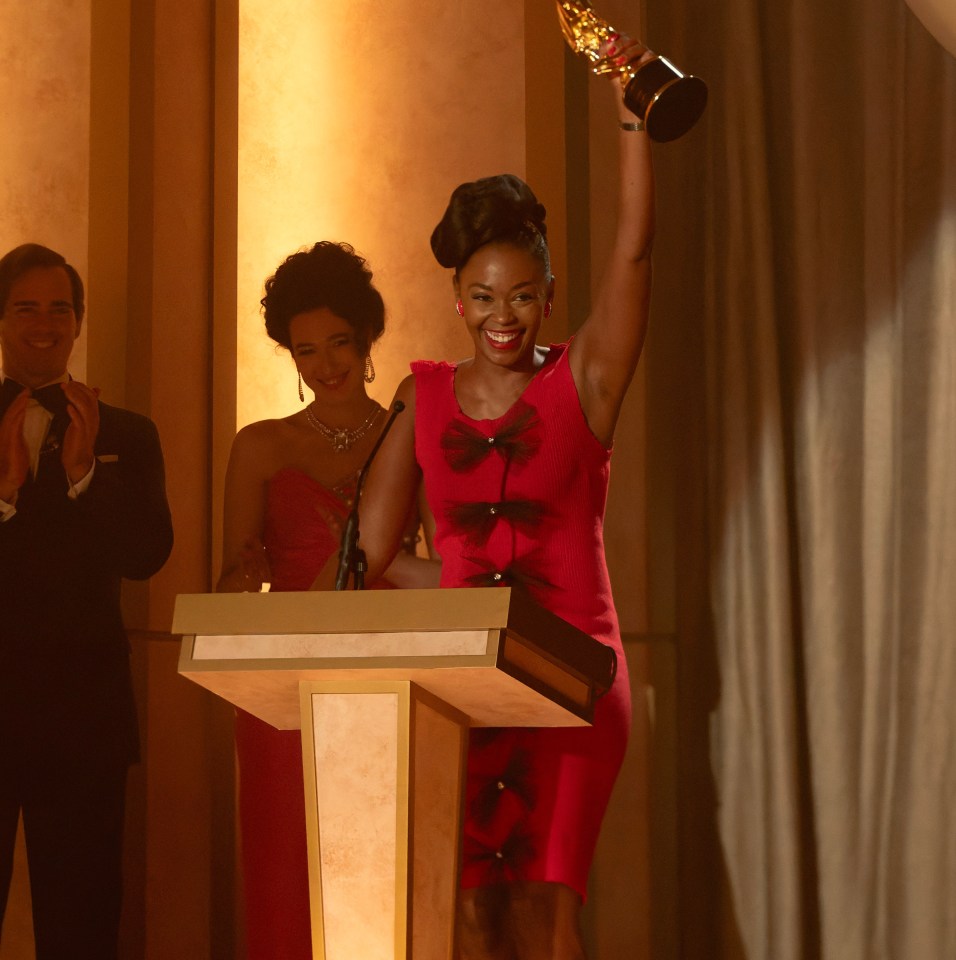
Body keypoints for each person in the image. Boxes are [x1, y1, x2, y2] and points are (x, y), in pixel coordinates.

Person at [314, 35, 656, 960]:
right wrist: (465, 587)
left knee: (546, 913)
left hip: (575, 679)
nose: (503, 318)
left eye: (522, 297)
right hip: (466, 681)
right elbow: (376, 556)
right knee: (468, 919)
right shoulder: (423, 395)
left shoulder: (585, 380)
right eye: (482, 297)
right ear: (458, 300)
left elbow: (633, 249)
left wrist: (633, 109)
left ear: (548, 297)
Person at [217, 240, 438, 959]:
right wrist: (242, 577)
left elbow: (441, 569)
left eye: (338, 343)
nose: (325, 366)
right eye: (305, 350)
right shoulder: (259, 446)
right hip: (285, 696)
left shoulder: (409, 434)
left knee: (387, 882)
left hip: (391, 683)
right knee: (290, 880)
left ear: (367, 336)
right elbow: (231, 588)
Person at [0, 243, 173, 958]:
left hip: (84, 714)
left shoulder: (127, 434)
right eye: (26, 308)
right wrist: (3, 496)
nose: (45, 324)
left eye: (60, 309)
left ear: (79, 322)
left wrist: (83, 478)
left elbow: (147, 556)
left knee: (83, 919)